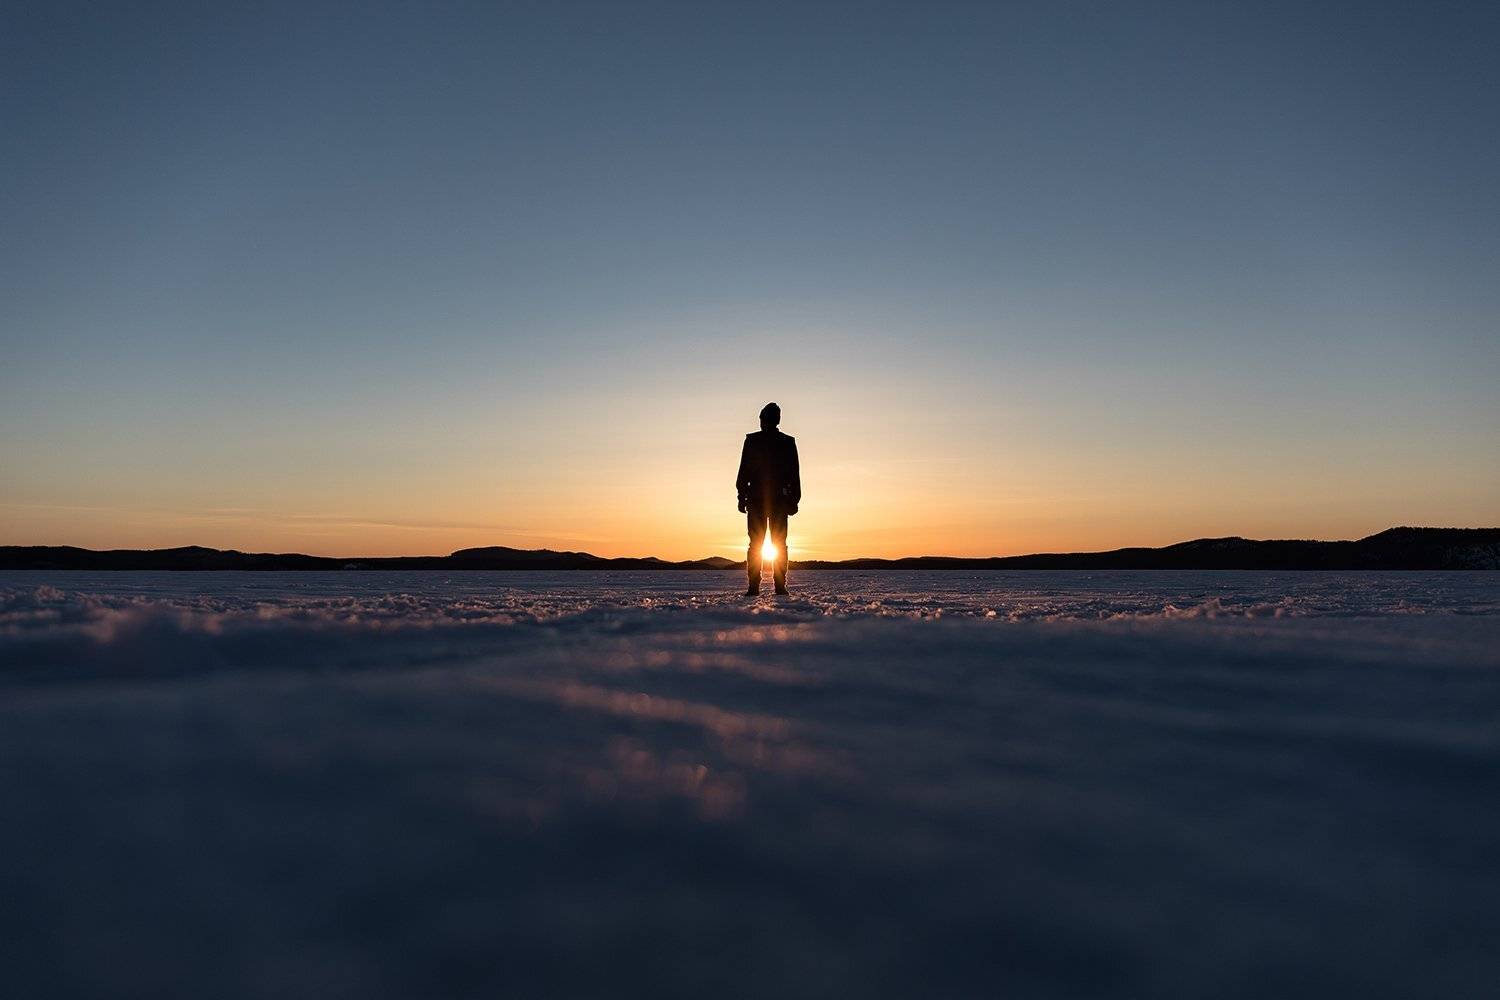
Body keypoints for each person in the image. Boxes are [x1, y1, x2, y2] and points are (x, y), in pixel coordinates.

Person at [736, 402, 801, 595]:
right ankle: (758, 586)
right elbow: (744, 472)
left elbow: (793, 474)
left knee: (772, 544)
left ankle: (774, 586)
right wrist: (741, 495)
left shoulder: (785, 442)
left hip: (775, 501)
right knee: (764, 544)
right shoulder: (755, 441)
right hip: (760, 500)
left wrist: (794, 499)